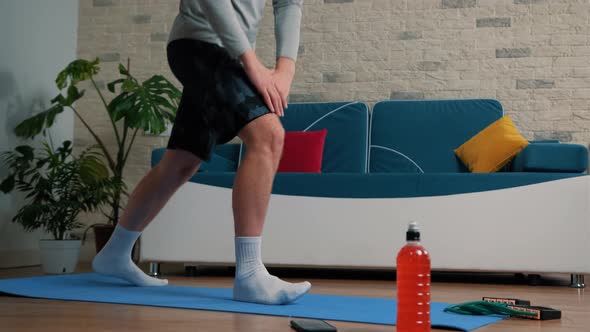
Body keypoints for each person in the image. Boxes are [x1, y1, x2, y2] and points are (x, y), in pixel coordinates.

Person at [92, 0, 311, 305]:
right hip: (199, 43)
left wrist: (285, 69)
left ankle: (114, 253)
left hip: (226, 50)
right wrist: (251, 62)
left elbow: (288, 3)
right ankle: (250, 276)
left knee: (183, 160)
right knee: (268, 136)